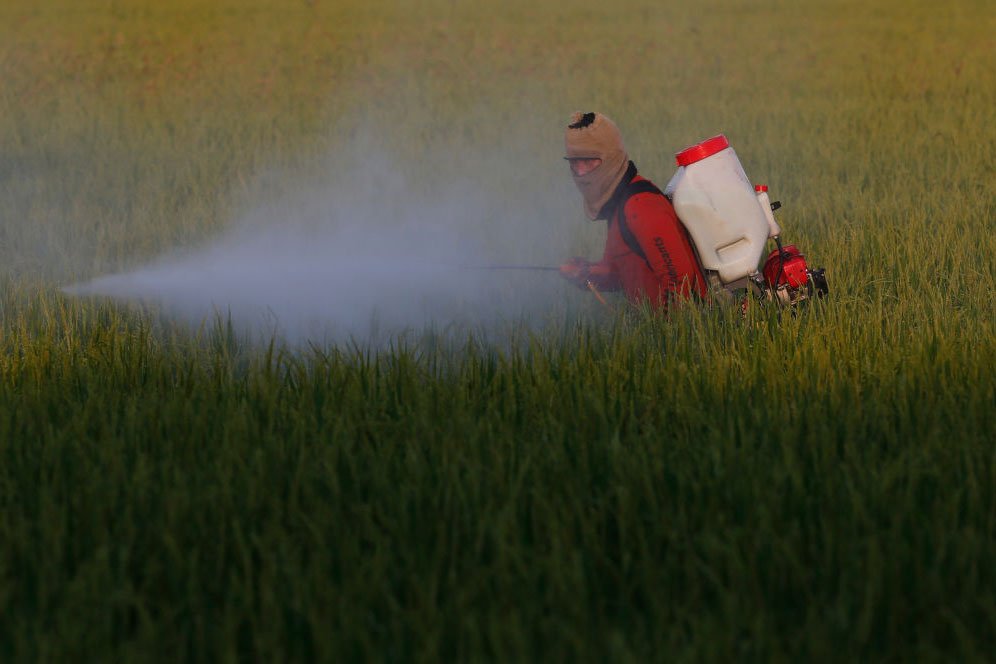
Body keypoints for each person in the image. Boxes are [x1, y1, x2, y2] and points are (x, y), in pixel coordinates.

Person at [559, 112, 708, 309]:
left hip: (678, 330)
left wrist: (663, 334)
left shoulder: (640, 206)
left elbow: (681, 283)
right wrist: (585, 273)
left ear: (611, 157)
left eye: (589, 162)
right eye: (574, 164)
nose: (581, 172)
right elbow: (620, 273)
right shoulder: (617, 205)